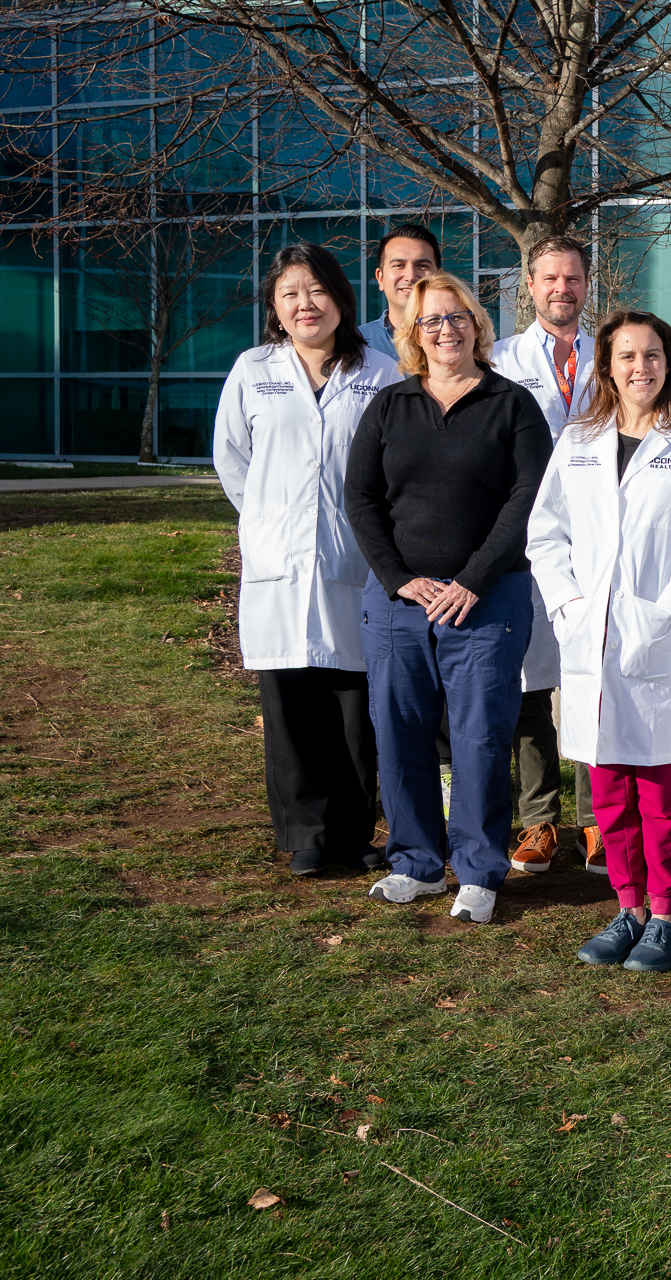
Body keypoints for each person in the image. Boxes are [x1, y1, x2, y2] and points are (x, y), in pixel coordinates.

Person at [346, 271, 553, 925]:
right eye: (431, 320)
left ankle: (479, 870)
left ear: (477, 325)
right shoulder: (389, 407)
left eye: (457, 316)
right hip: (401, 603)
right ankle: (415, 863)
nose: (445, 329)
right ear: (413, 333)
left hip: (486, 601)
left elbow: (528, 499)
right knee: (400, 732)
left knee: (480, 738)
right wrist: (397, 578)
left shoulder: (511, 405)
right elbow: (361, 498)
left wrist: (472, 579)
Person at [527, 311, 671, 972]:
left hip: (657, 637)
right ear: (607, 367)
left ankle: (667, 914)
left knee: (661, 793)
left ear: (669, 363)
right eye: (626, 357)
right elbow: (546, 532)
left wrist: (668, 611)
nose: (640, 367)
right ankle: (628, 908)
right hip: (592, 639)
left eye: (652, 355)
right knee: (609, 788)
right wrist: (568, 604)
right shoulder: (580, 439)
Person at [214, 243, 403, 877]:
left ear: (341, 299)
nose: (304, 304)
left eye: (316, 290)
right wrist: (273, 523)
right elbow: (233, 460)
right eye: (290, 293)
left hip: (358, 563)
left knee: (356, 709)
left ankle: (353, 832)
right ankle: (305, 837)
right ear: (275, 305)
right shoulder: (253, 369)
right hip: (279, 565)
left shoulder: (381, 374)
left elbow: (394, 469)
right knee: (290, 706)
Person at [491, 235, 598, 876]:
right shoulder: (502, 359)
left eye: (574, 278)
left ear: (588, 285)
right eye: (550, 279)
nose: (562, 288)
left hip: (594, 540)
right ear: (529, 286)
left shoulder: (610, 356)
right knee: (530, 686)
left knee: (589, 681)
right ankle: (539, 821)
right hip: (523, 538)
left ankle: (595, 824)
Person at [358, 225, 442, 360]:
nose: (411, 276)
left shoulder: (460, 341)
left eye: (422, 266)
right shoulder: (355, 345)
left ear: (440, 278)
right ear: (380, 278)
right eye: (398, 265)